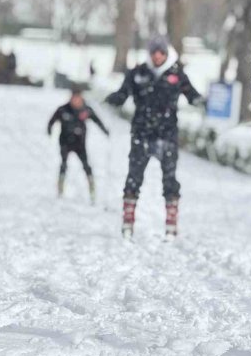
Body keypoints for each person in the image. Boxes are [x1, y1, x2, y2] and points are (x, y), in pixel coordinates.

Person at [105, 36, 205, 240]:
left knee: (170, 180)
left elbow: (191, 94)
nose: (157, 56)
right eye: (154, 52)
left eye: (161, 52)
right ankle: (128, 221)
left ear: (166, 53)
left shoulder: (176, 74)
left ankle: (171, 223)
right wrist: (115, 98)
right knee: (134, 177)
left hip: (167, 135)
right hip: (141, 134)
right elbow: (124, 93)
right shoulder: (138, 73)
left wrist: (201, 101)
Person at [48, 88, 110, 201]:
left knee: (86, 166)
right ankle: (60, 188)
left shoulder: (86, 110)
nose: (76, 101)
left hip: (80, 143)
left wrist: (105, 130)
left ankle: (92, 189)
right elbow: (52, 121)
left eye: (79, 99)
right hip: (65, 142)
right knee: (64, 164)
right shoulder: (63, 109)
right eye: (74, 98)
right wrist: (49, 130)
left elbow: (97, 120)